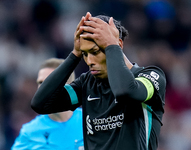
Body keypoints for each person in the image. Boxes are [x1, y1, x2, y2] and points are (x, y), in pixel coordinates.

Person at [31, 12, 166, 150]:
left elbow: (124, 91)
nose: (89, 61)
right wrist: (74, 55)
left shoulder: (150, 76)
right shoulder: (86, 84)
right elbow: (41, 104)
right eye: (85, 54)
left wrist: (112, 46)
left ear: (118, 44)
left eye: (95, 52)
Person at [11, 58, 84, 150]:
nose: (42, 89)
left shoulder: (91, 121)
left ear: (69, 86)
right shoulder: (30, 133)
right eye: (40, 83)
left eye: (49, 82)